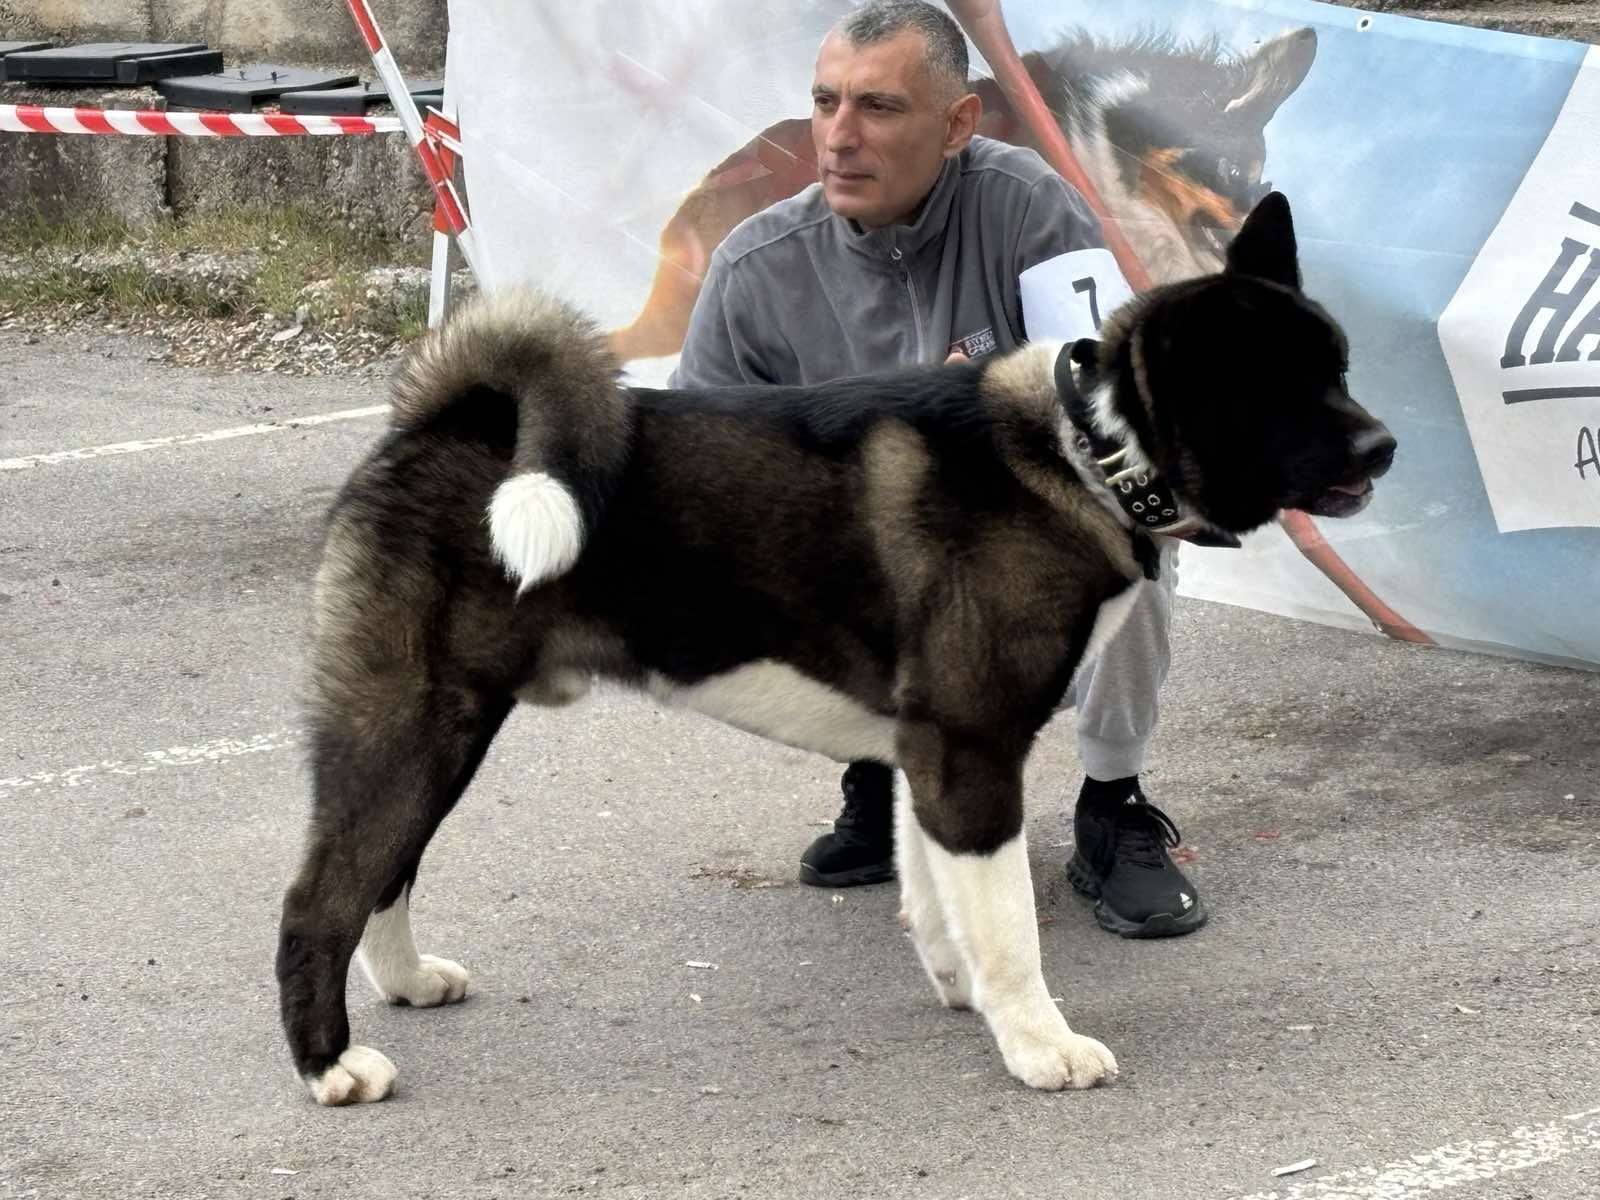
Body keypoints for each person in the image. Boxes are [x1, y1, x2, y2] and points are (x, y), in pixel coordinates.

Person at [668, 0, 1203, 938]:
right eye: (825, 101)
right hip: (862, 552)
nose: (838, 137)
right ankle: (882, 769)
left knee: (1138, 517)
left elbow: (1114, 407)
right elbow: (693, 475)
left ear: (957, 124)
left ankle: (1112, 803)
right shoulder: (756, 268)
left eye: (878, 106)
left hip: (1020, 533)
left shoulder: (1027, 202)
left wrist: (987, 421)